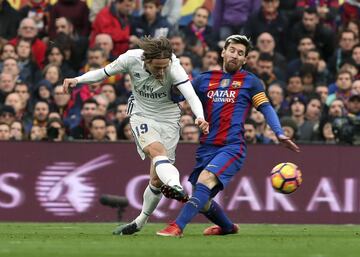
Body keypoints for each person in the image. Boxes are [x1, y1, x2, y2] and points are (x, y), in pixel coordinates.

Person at [62, 36, 209, 235]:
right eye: (157, 67)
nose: (162, 71)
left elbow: (191, 95)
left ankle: (140, 221)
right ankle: (176, 186)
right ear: (146, 61)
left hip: (169, 119)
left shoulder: (174, 66)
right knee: (155, 151)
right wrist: (77, 80)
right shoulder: (131, 59)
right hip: (142, 115)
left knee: (156, 180)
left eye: (164, 67)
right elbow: (103, 73)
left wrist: (200, 117)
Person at [157, 35, 299, 237]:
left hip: (232, 146)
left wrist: (279, 132)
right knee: (203, 199)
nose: (235, 55)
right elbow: (175, 96)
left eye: (240, 53)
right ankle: (228, 227)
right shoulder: (204, 80)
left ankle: (177, 226)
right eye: (232, 50)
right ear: (223, 52)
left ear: (245, 60)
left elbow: (266, 107)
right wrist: (165, 75)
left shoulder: (251, 82)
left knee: (205, 180)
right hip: (207, 146)